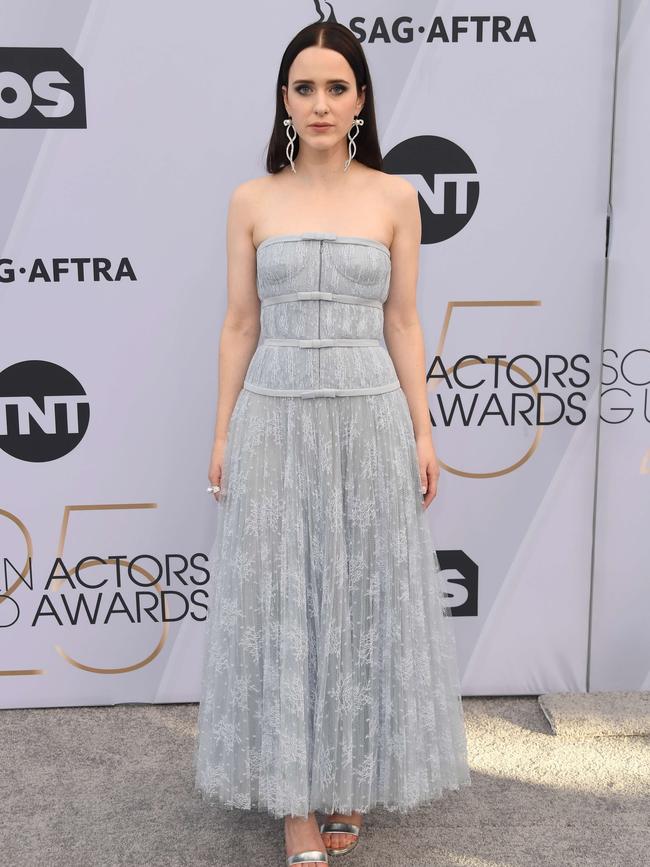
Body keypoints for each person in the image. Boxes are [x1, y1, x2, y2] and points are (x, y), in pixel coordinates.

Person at [193, 20, 471, 866]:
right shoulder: (252, 198)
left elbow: (404, 319)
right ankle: (292, 806)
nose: (320, 103)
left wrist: (423, 431)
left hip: (368, 415)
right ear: (284, 99)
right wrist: (222, 432)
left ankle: (349, 775)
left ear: (360, 100)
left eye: (336, 87)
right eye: (304, 87)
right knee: (282, 598)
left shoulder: (393, 196)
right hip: (274, 415)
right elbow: (240, 323)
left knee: (361, 597)